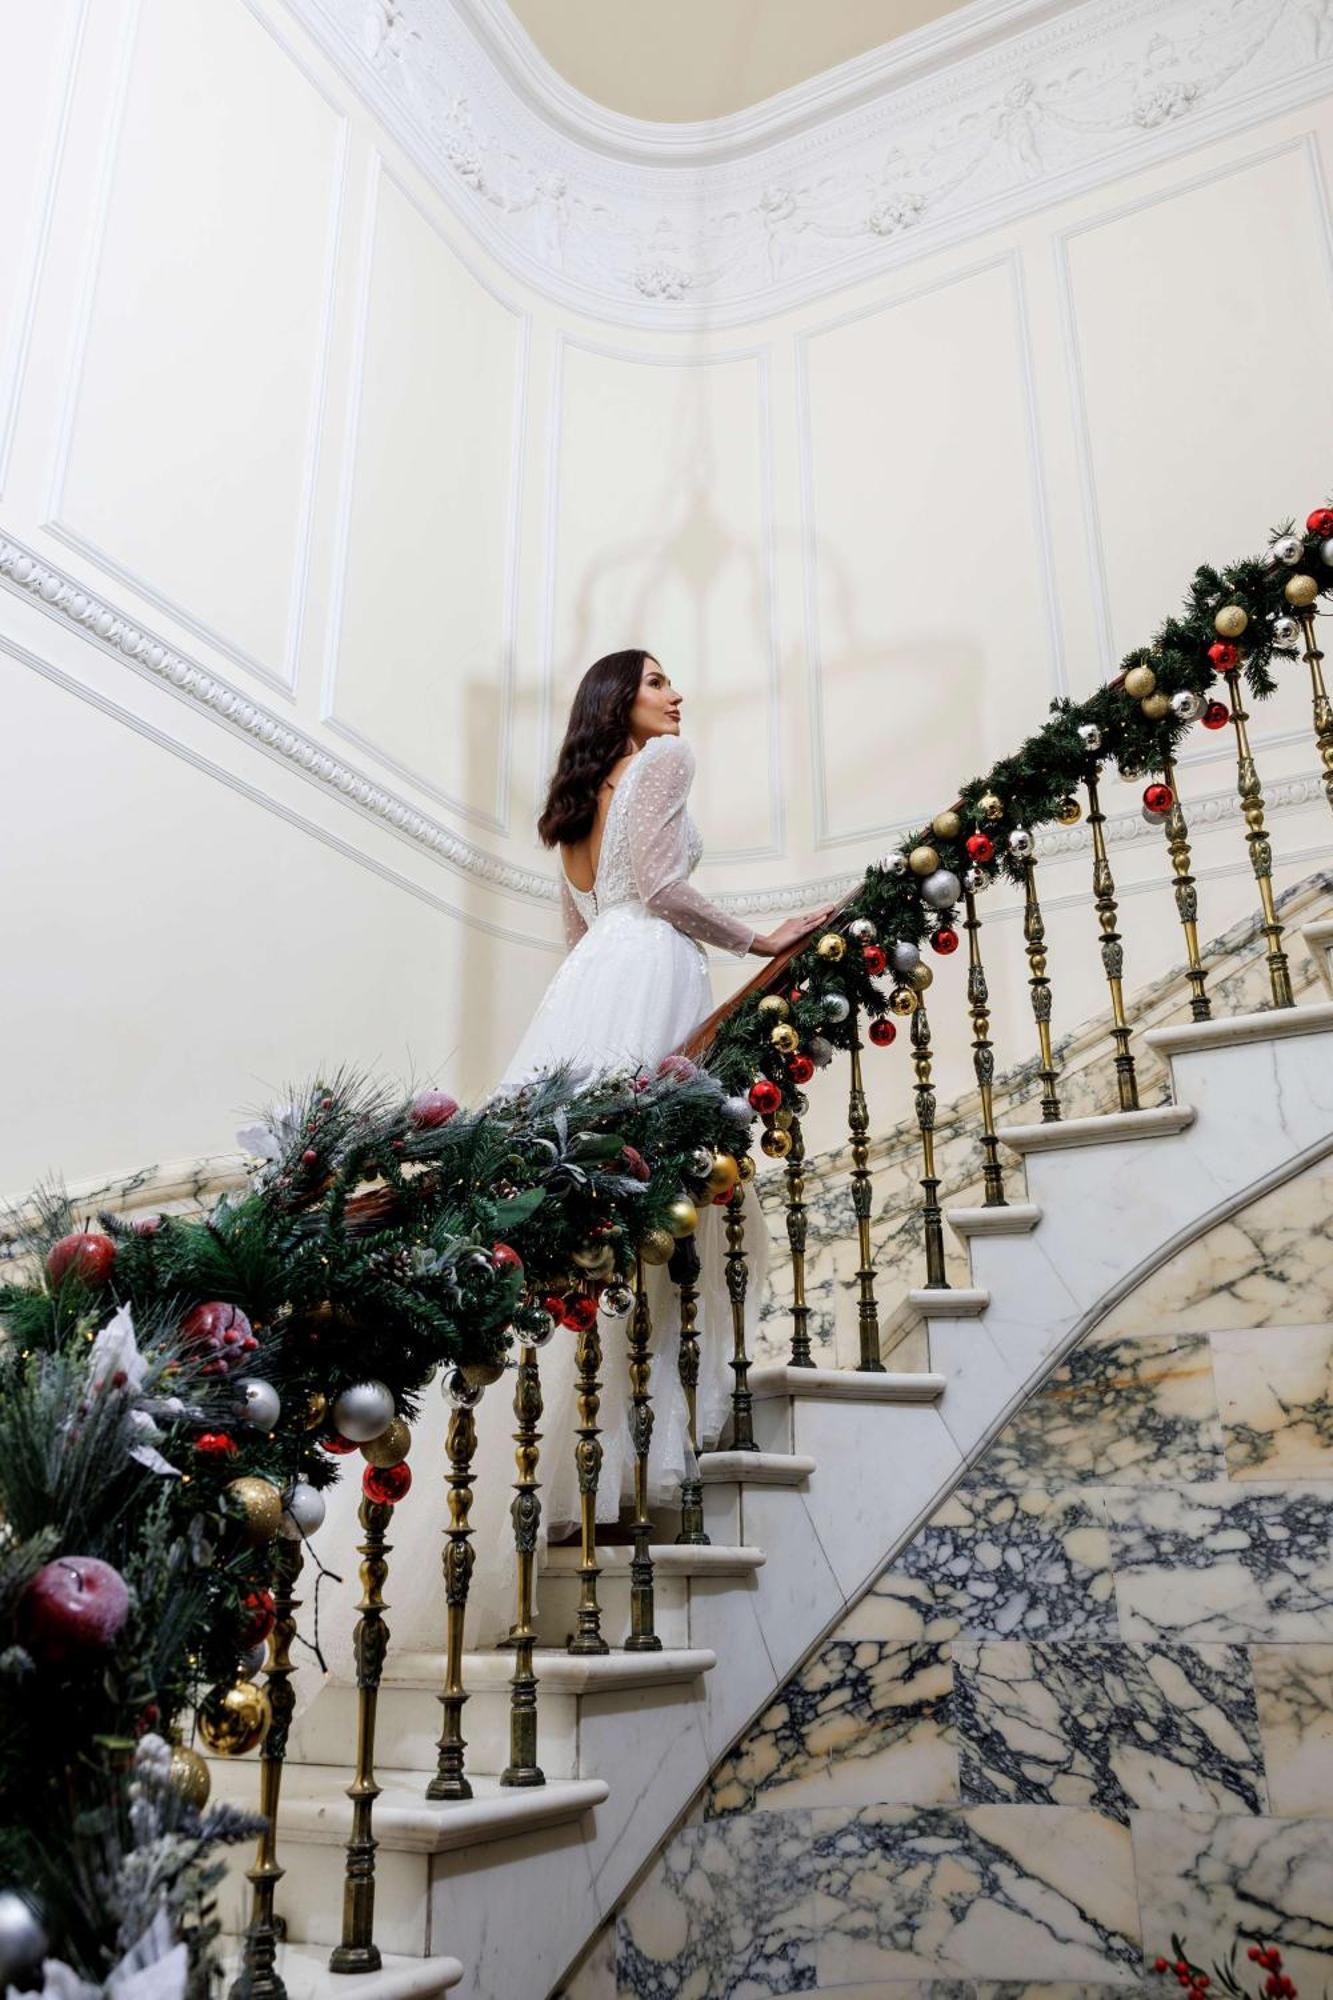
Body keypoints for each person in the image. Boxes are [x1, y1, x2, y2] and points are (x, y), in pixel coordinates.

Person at [315, 651, 830, 1662]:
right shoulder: (667, 761)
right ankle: (631, 1464)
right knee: (654, 1195)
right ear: (620, 704)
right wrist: (760, 936)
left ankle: (561, 1484)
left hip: (591, 984)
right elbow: (664, 885)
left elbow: (580, 928)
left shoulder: (567, 810)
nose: (675, 696)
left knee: (565, 1210)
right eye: (654, 683)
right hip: (649, 968)